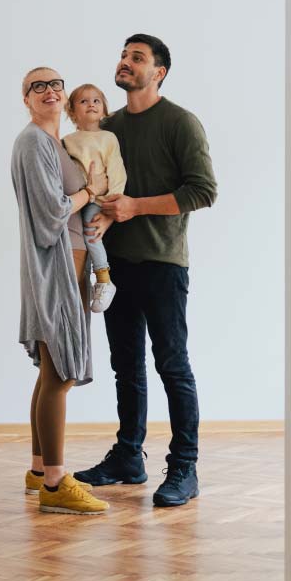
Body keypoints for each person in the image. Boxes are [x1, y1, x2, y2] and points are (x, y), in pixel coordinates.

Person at [74, 34, 218, 508]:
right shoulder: (108, 127)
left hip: (162, 264)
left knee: (172, 366)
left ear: (159, 72)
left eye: (137, 58)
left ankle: (184, 468)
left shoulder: (180, 123)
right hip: (115, 268)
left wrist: (136, 207)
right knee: (126, 368)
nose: (125, 62)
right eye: (122, 55)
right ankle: (128, 458)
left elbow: (202, 191)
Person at [11, 66, 110, 515]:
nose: (49, 91)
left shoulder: (56, 144)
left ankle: (37, 471)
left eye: (55, 84)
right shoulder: (33, 142)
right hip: (55, 271)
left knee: (51, 373)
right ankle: (55, 483)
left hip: (69, 270)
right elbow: (51, 214)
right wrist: (91, 191)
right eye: (38, 86)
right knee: (60, 375)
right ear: (25, 98)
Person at [61, 83, 127, 313]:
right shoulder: (67, 140)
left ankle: (103, 278)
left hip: (98, 200)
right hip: (75, 200)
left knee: (91, 232)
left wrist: (112, 201)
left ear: (104, 108)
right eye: (84, 101)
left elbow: (117, 170)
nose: (91, 104)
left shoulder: (108, 138)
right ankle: (86, 277)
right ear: (71, 111)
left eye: (96, 100)